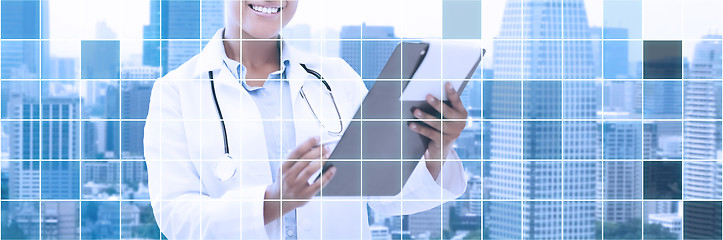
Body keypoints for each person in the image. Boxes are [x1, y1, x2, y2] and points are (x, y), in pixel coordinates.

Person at [143, 0, 468, 239]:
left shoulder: (336, 77)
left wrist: (436, 147)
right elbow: (177, 218)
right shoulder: (175, 92)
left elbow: (384, 195)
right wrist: (273, 201)